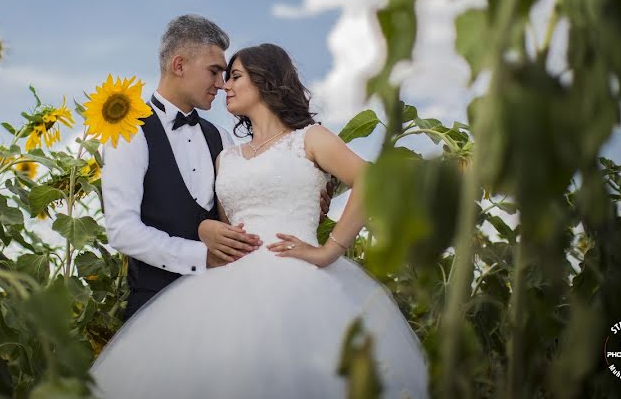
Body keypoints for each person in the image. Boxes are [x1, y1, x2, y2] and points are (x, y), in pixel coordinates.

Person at [91, 42, 429, 398]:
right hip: (225, 288)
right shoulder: (228, 155)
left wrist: (331, 249)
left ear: (265, 80)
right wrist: (204, 230)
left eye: (234, 76)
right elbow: (222, 223)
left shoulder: (308, 139)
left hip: (302, 284)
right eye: (220, 74)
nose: (224, 85)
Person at [102, 15, 329, 320]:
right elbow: (122, 231)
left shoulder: (219, 137)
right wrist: (201, 253)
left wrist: (308, 195)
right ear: (179, 65)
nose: (221, 85)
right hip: (155, 309)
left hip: (225, 303)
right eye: (215, 71)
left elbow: (243, 204)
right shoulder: (128, 131)